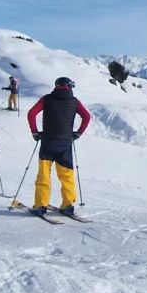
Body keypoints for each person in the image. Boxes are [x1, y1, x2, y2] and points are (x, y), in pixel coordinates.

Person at [26, 77, 90, 216]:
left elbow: (31, 114)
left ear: (56, 86)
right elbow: (87, 117)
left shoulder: (46, 99)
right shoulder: (74, 102)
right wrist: (78, 133)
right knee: (66, 176)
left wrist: (35, 132)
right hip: (65, 143)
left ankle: (40, 206)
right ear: (70, 87)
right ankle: (68, 205)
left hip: (48, 142)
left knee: (44, 175)